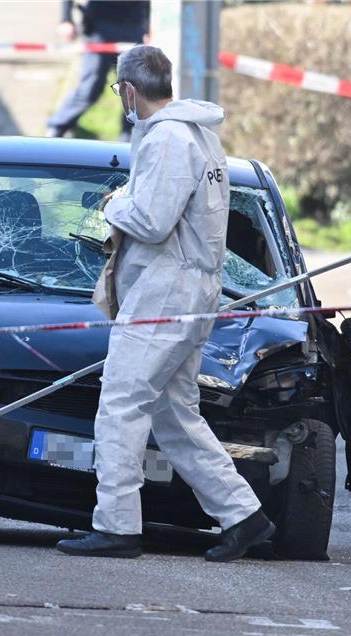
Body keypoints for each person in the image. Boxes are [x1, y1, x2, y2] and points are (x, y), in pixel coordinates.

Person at [57, 45, 274, 562]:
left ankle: (116, 527)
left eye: (118, 93)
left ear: (129, 91)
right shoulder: (200, 135)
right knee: (176, 417)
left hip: (165, 293)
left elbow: (152, 220)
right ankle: (245, 515)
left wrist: (114, 204)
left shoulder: (169, 139)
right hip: (190, 291)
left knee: (120, 406)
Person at [46, 0, 149, 141]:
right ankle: (56, 128)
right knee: (91, 87)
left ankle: (129, 139)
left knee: (134, 90)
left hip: (133, 25)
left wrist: (148, 25)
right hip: (99, 26)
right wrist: (66, 19)